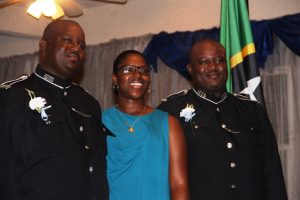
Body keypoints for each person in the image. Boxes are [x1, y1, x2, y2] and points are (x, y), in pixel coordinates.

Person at [158, 38, 287, 200]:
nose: (213, 67)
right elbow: (158, 174)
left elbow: (272, 171)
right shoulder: (171, 110)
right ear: (190, 69)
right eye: (204, 62)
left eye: (219, 60)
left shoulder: (252, 109)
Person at [0, 20, 108, 200]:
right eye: (67, 40)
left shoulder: (89, 103)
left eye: (81, 45)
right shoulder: (13, 96)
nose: (76, 48)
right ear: (43, 46)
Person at [102, 50, 189, 200]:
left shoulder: (169, 123)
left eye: (144, 70)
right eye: (129, 69)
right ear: (115, 79)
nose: (137, 75)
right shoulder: (100, 120)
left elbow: (178, 183)